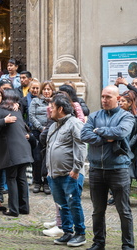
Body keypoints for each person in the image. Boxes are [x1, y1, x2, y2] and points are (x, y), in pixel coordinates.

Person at [81, 85, 135, 250]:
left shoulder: (126, 116)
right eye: (103, 96)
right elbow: (84, 135)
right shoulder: (94, 116)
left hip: (118, 169)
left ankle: (128, 245)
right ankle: (98, 243)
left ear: (118, 99)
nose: (104, 100)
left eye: (108, 97)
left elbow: (120, 133)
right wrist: (105, 137)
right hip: (97, 169)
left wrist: (99, 131)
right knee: (98, 211)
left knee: (123, 211)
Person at [44, 94, 87, 247]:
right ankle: (67, 232)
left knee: (73, 203)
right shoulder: (54, 125)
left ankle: (80, 233)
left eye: (52, 107)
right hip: (54, 174)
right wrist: (49, 171)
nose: (49, 109)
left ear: (60, 109)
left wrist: (76, 169)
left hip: (70, 174)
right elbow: (49, 148)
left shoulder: (74, 123)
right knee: (62, 204)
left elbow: (81, 147)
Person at [0, 89, 33, 217]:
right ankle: (24, 207)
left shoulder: (0, 110)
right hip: (24, 148)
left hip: (11, 150)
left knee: (11, 179)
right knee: (21, 178)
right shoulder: (17, 110)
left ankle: (13, 210)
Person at [115, 77, 137, 190]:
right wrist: (116, 85)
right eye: (133, 83)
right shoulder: (127, 95)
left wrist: (127, 83)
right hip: (127, 133)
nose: (134, 85)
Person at [29, 81, 55, 195]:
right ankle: (37, 181)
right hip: (37, 133)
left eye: (49, 89)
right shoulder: (35, 101)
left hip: (52, 133)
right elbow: (31, 116)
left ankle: (46, 182)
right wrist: (41, 128)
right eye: (44, 89)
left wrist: (48, 129)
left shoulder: (55, 102)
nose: (46, 91)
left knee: (48, 159)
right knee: (37, 158)